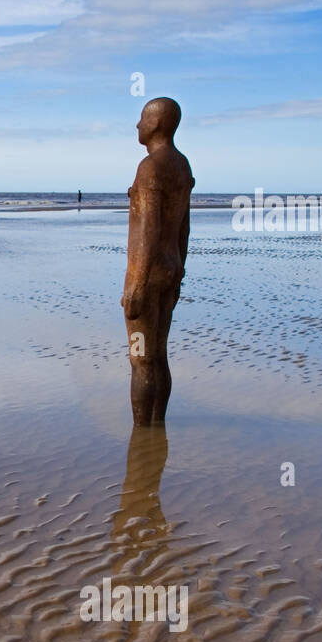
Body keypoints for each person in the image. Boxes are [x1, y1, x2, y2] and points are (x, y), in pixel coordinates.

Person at [122, 97, 194, 425]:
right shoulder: (181, 165)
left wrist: (136, 285)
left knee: (140, 358)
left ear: (155, 124)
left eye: (142, 119)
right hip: (170, 268)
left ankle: (142, 433)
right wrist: (179, 270)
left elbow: (149, 230)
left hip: (147, 273)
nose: (138, 125)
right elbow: (183, 226)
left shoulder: (150, 167)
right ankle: (157, 423)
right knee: (159, 355)